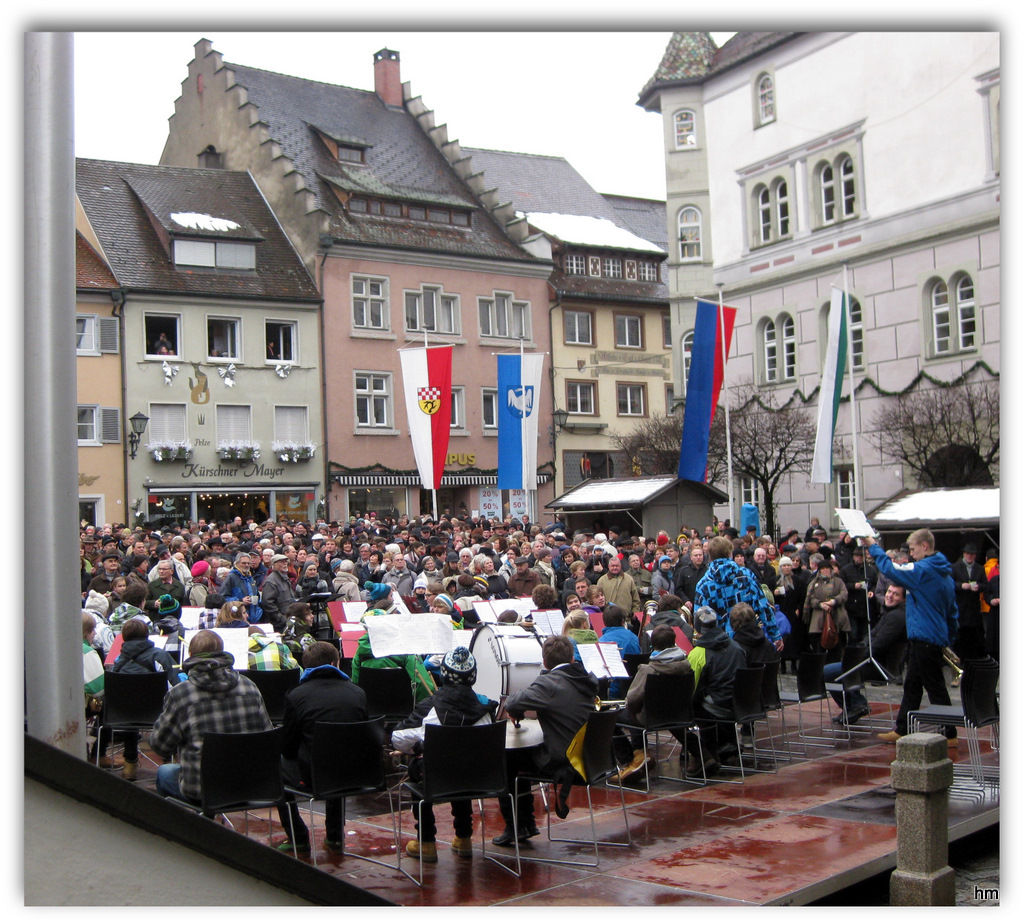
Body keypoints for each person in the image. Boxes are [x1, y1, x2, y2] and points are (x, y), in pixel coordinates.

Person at [391, 647, 497, 862]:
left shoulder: (431, 707)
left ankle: (426, 842)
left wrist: (419, 748)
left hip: (438, 779)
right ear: (473, 676)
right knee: (463, 764)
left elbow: (398, 738)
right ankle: (464, 837)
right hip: (480, 780)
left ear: (444, 674)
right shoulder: (486, 707)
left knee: (421, 766)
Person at [495, 635, 600, 846]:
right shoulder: (586, 679)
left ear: (544, 662)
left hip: (566, 762)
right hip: (592, 758)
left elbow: (513, 702)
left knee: (506, 759)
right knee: (520, 758)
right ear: (572, 659)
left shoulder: (550, 683)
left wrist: (519, 710)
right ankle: (525, 824)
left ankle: (517, 825)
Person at [149, 629, 273, 801]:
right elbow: (267, 736)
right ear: (222, 653)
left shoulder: (180, 694)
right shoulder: (249, 686)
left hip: (203, 788)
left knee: (164, 772)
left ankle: (179, 827)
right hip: (251, 785)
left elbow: (160, 746)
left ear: (190, 655)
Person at [861, 529, 959, 746]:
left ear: (924, 546)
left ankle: (949, 733)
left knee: (934, 686)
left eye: (913, 549)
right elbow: (952, 612)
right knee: (913, 683)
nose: (911, 554)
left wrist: (872, 545)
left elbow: (891, 570)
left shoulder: (923, 570)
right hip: (932, 636)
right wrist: (948, 637)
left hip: (924, 636)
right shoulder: (945, 574)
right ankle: (903, 728)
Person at [275, 641, 369, 855]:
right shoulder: (357, 692)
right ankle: (335, 836)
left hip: (314, 777)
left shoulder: (296, 695)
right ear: (335, 663)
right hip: (358, 774)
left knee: (276, 768)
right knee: (337, 755)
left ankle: (297, 836)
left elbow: (288, 748)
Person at [106, 617, 182, 780]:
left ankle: (130, 764)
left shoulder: (118, 660)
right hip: (157, 712)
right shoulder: (159, 655)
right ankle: (168, 761)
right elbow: (176, 684)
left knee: (131, 711)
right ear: (147, 635)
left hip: (121, 714)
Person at [824, 583, 907, 725]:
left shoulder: (896, 617)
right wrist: (861, 647)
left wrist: (856, 657)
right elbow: (871, 635)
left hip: (878, 665)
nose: (890, 596)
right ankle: (853, 705)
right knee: (834, 670)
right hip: (870, 661)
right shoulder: (890, 613)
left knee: (828, 672)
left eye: (895, 594)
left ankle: (855, 705)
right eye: (889, 592)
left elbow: (879, 644)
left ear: (903, 599)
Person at [618, 624, 694, 774]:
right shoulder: (686, 666)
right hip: (678, 714)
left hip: (651, 718)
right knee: (657, 714)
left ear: (653, 645)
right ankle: (702, 754)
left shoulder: (649, 670)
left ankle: (632, 759)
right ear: (674, 642)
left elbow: (632, 699)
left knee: (614, 717)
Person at [694, 536, 783, 651]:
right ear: (730, 553)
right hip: (747, 642)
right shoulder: (746, 576)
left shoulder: (703, 584)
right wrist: (775, 635)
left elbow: (699, 620)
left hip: (718, 647)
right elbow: (763, 607)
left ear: (709, 555)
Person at [685, 607, 747, 771]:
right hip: (741, 706)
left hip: (717, 708)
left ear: (697, 628)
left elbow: (690, 690)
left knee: (686, 707)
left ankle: (703, 755)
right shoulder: (736, 647)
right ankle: (726, 746)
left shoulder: (698, 653)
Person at [801, 554, 850, 655]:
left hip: (837, 615)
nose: (826, 570)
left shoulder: (838, 581)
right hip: (819, 618)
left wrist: (834, 601)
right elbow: (811, 599)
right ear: (819, 570)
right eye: (823, 569)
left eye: (828, 568)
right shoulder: (814, 583)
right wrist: (820, 604)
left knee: (836, 646)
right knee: (819, 646)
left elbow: (844, 594)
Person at [950, 542, 989, 663]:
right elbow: (950, 584)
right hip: (960, 608)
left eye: (972, 554)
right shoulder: (955, 567)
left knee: (973, 638)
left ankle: (972, 662)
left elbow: (986, 585)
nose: (969, 556)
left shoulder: (980, 568)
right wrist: (962, 586)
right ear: (964, 554)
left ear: (975, 556)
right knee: (959, 638)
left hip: (973, 610)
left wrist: (978, 587)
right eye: (967, 554)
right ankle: (959, 663)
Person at [220, 551, 263, 623]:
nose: (246, 565)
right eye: (243, 563)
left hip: (254, 618)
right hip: (237, 618)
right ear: (236, 563)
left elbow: (257, 596)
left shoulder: (250, 578)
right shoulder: (231, 577)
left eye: (248, 563)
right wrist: (240, 601)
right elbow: (223, 598)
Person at [260, 554, 296, 632]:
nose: (285, 563)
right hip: (278, 624)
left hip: (288, 620)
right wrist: (281, 618)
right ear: (274, 564)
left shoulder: (285, 579)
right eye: (281, 562)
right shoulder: (271, 581)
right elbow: (268, 603)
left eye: (286, 561)